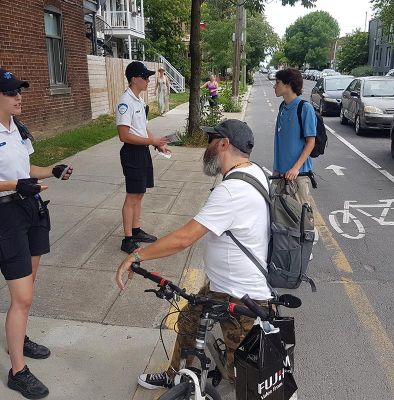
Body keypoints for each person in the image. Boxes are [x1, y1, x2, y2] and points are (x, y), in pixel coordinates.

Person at [115, 119, 272, 389]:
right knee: (188, 321)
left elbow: (184, 239)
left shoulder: (232, 190)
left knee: (244, 377)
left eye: (211, 141)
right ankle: (175, 377)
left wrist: (137, 255)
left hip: (243, 294)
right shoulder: (256, 172)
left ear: (223, 143)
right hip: (222, 285)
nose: (207, 148)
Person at [0, 68, 73, 399]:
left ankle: (17, 338)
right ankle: (17, 372)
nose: (18, 96)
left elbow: (27, 171)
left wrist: (52, 169)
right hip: (6, 215)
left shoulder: (18, 128)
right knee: (22, 297)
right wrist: (14, 184)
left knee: (28, 288)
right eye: (10, 92)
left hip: (31, 208)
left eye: (19, 91)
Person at [117, 61, 170, 254]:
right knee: (132, 196)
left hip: (142, 151)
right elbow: (124, 135)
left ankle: (136, 230)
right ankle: (127, 239)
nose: (148, 80)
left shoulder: (138, 100)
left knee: (139, 194)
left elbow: (141, 128)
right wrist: (151, 141)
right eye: (144, 77)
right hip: (132, 153)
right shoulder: (125, 102)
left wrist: (156, 143)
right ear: (134, 79)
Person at [273, 68, 317, 206]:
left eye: (278, 82)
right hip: (280, 174)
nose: (274, 86)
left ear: (288, 85)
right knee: (281, 217)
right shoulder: (283, 107)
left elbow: (311, 142)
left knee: (301, 219)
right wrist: (276, 169)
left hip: (298, 175)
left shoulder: (304, 108)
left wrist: (295, 168)